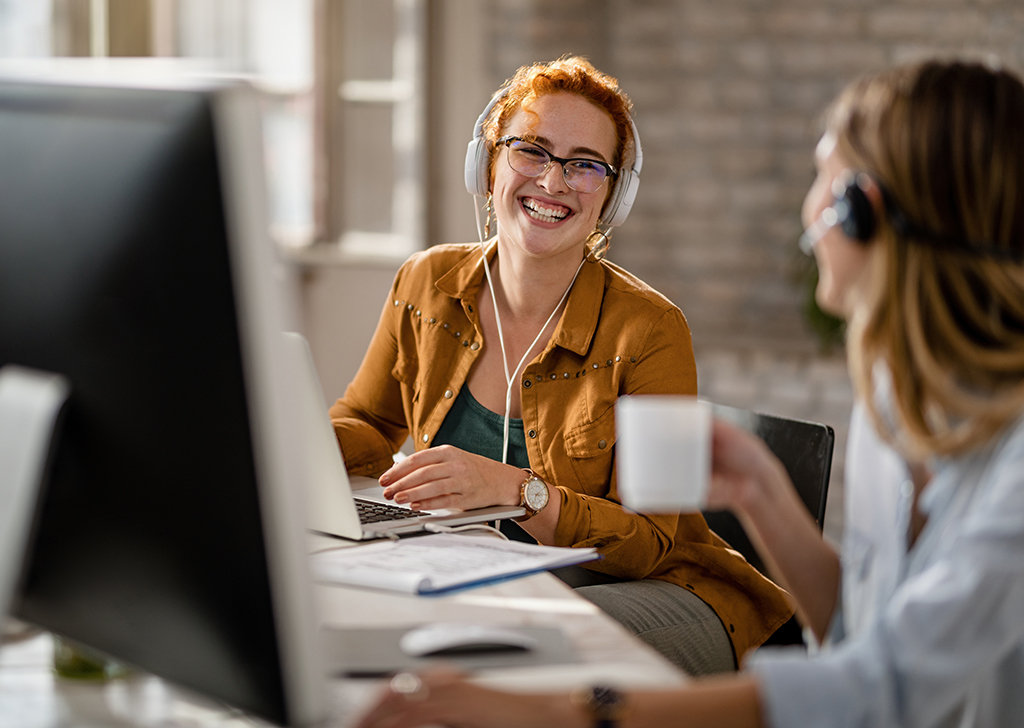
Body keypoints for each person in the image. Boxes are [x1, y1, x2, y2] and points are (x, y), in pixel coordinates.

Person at [352, 57, 1024, 728]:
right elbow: (861, 632)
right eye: (531, 151)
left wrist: (562, 712)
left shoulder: (1010, 463)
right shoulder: (892, 402)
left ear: (859, 212)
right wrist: (760, 489)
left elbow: (880, 689)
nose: (807, 207)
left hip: (648, 593)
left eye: (823, 177)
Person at [329, 56, 791, 676]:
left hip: (666, 594)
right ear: (488, 163)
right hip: (492, 579)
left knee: (480, 654)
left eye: (585, 164)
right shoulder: (427, 282)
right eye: (532, 151)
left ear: (614, 194)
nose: (553, 181)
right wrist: (276, 449)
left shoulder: (653, 331)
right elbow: (367, 419)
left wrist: (514, 491)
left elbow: (649, 544)